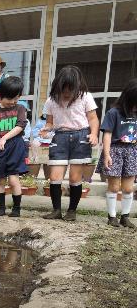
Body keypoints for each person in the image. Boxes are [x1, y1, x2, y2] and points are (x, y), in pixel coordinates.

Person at [40, 65, 99, 221]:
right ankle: (56, 210)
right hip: (60, 137)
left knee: (74, 177)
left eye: (70, 89)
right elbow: (50, 122)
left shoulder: (85, 97)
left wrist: (93, 134)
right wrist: (46, 129)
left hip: (81, 137)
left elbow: (93, 118)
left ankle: (72, 211)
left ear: (77, 87)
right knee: (54, 176)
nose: (66, 93)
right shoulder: (52, 100)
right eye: (63, 89)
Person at [95, 79, 137, 228]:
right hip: (115, 150)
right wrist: (106, 154)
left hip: (132, 151)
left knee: (128, 188)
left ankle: (125, 216)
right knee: (113, 187)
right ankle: (111, 216)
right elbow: (107, 134)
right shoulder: (114, 113)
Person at [0, 76, 28, 218]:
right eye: (10, 99)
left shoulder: (20, 108)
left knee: (13, 179)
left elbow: (20, 127)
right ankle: (1, 208)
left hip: (15, 146)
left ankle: (16, 209)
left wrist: (4, 138)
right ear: (1, 95)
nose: (12, 102)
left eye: (16, 98)